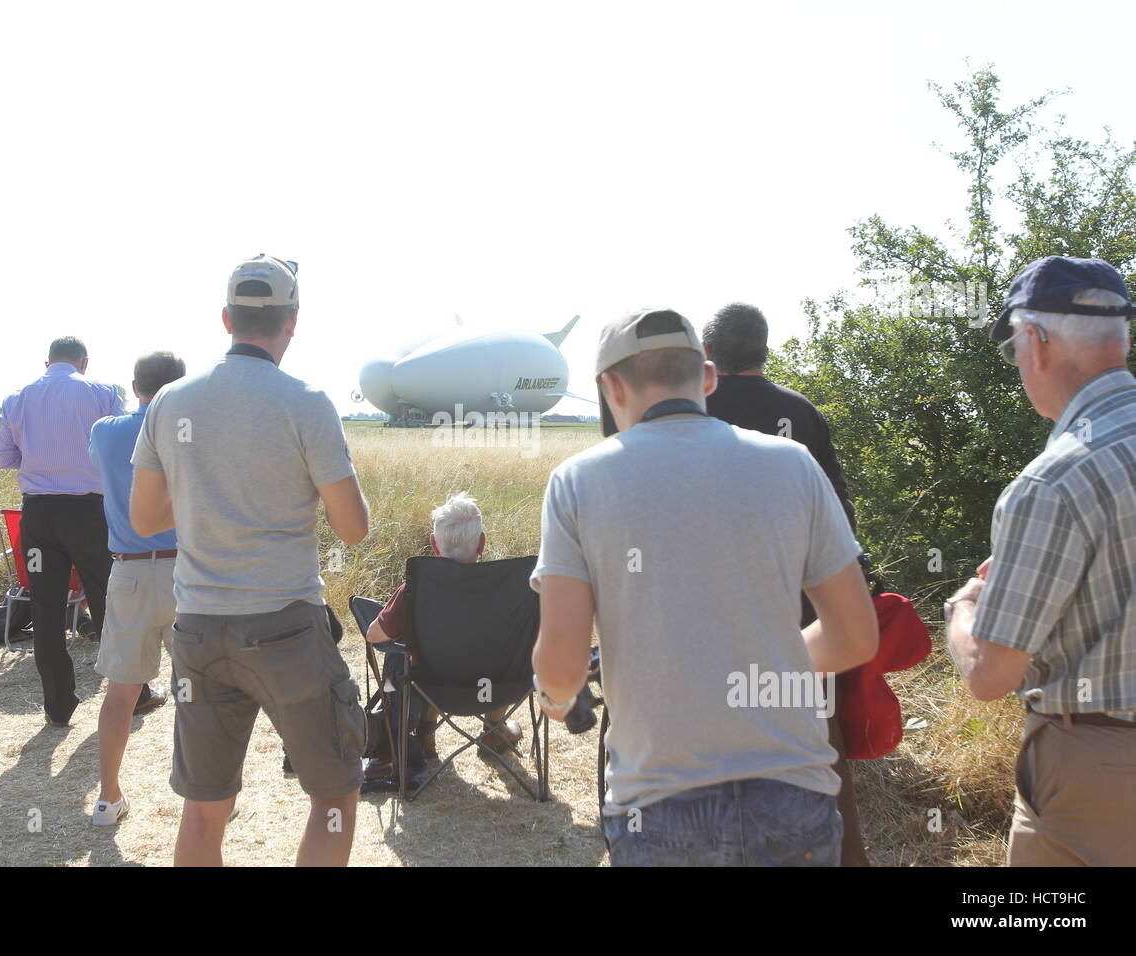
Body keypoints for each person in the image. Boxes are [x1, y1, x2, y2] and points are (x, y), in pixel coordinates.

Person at [531, 307, 878, 866]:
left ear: (610, 387)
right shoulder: (794, 464)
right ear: (708, 379)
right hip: (794, 796)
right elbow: (856, 637)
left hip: (658, 803)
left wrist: (552, 698)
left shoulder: (576, 482)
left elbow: (564, 666)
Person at [131, 255, 370, 867]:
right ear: (292, 322)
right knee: (335, 795)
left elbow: (145, 519)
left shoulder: (170, 401)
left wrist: (213, 503)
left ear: (225, 319)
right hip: (286, 626)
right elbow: (354, 528)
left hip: (199, 628)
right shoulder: (307, 402)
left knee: (205, 807)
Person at [946, 256, 1136, 866]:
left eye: (1013, 352)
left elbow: (990, 676)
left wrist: (965, 608)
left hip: (1096, 775)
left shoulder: (1054, 482)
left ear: (1035, 342)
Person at [702, 301, 870, 866]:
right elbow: (842, 519)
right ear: (765, 349)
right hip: (802, 622)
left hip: (710, 625)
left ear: (708, 354)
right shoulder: (801, 414)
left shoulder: (691, 415)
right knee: (819, 752)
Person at [0, 337, 127, 726]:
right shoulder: (103, 393)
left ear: (46, 361)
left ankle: (58, 704)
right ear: (84, 362)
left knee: (46, 608)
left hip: (39, 514)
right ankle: (127, 693)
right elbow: (118, 444)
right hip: (88, 511)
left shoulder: (17, 398)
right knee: (106, 602)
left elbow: (2, 457)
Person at [87, 351, 187, 826]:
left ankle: (108, 797)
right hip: (189, 572)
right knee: (197, 692)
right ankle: (203, 796)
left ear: (135, 386)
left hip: (129, 570)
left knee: (121, 692)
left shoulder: (106, 431)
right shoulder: (193, 430)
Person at [365, 492, 525, 759]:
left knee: (432, 659)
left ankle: (425, 736)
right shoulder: (507, 590)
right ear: (481, 543)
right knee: (496, 655)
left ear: (434, 545)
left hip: (433, 688)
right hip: (497, 688)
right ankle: (494, 732)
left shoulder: (415, 590)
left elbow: (374, 636)